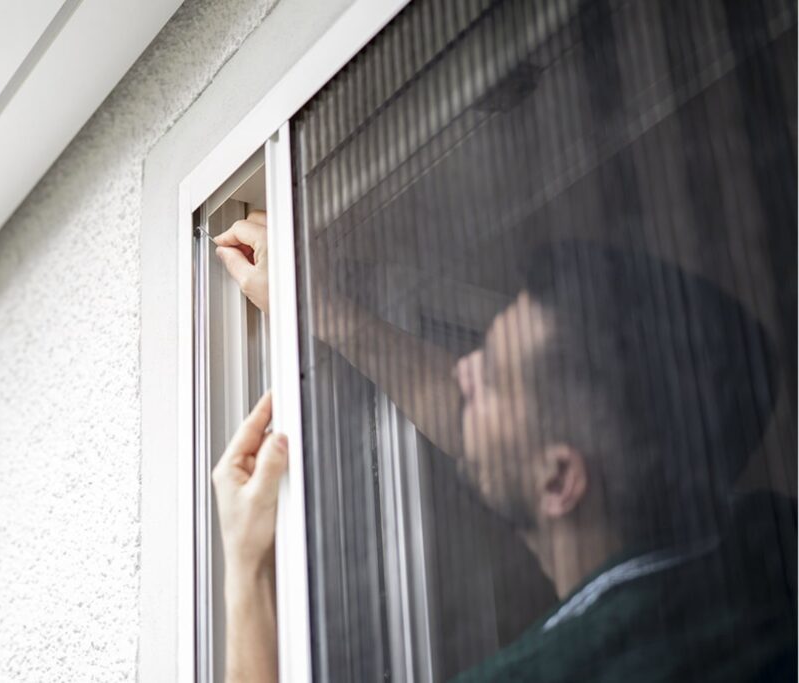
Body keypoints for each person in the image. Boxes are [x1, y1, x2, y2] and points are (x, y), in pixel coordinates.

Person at [211, 212, 796, 681]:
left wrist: (245, 563)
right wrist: (327, 312)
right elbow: (482, 426)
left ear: (559, 481)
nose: (462, 371)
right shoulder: (765, 546)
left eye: (488, 377)